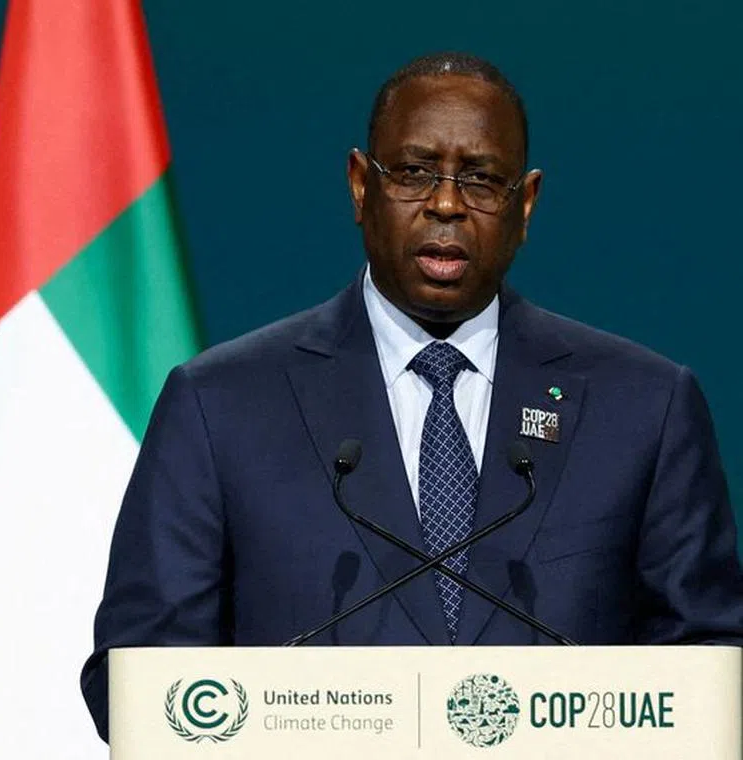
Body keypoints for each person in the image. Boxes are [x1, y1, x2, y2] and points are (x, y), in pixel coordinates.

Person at [79, 52, 743, 741]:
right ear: (361, 185)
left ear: (526, 204)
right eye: (415, 172)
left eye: (482, 179)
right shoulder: (220, 404)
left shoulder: (644, 405)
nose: (447, 203)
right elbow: (137, 677)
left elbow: (712, 665)